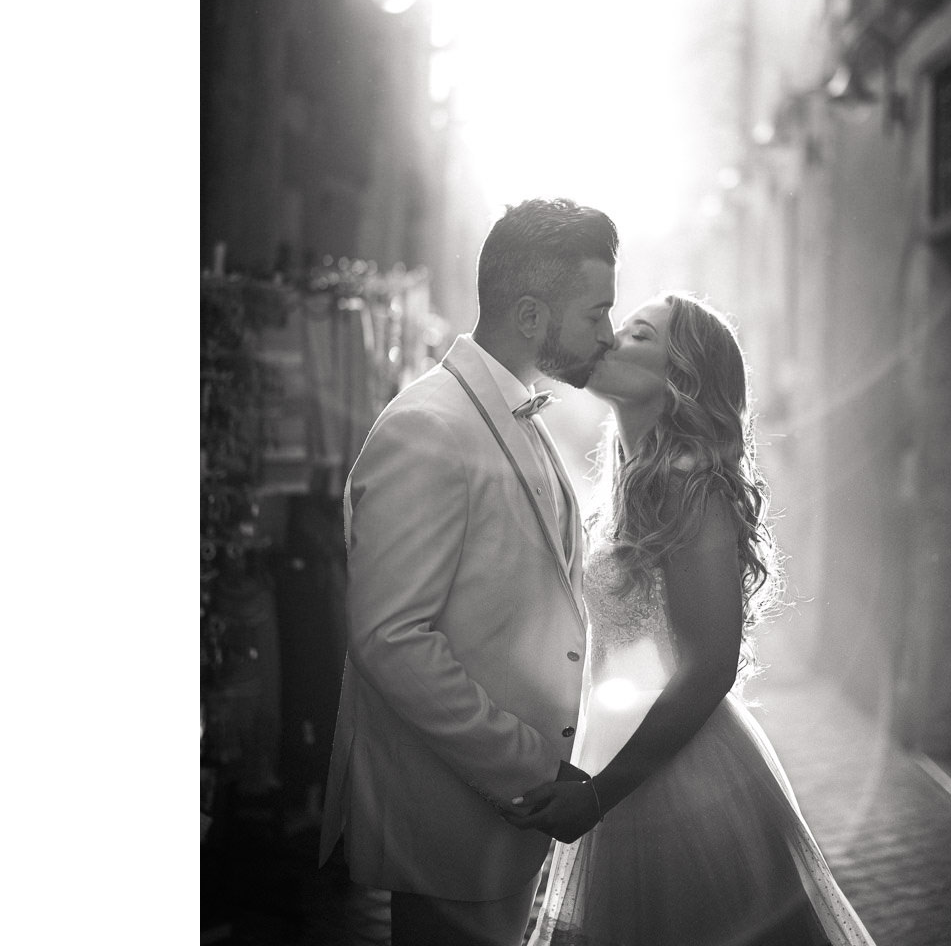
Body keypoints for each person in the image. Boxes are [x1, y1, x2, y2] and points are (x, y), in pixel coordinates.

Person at [506, 292, 878, 946]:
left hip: (679, 780)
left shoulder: (692, 487)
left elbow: (709, 667)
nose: (612, 340)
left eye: (639, 336)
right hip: (614, 754)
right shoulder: (625, 484)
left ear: (679, 378)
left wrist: (597, 795)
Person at [318, 198, 619, 946]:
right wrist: (532, 768)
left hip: (507, 829)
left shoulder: (514, 413)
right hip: (457, 821)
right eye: (595, 313)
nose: (608, 334)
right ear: (528, 316)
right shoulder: (428, 428)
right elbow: (389, 637)